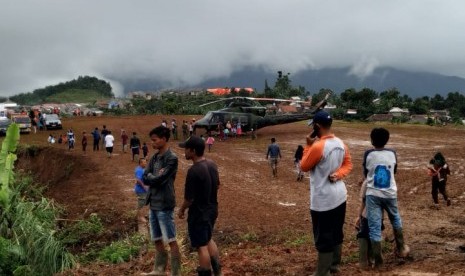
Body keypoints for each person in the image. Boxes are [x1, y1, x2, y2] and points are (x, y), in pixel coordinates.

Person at [300, 110, 353, 276]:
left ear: (316, 127)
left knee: (323, 235)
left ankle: (322, 272)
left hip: (323, 200)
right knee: (336, 232)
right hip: (340, 196)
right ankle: (334, 266)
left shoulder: (317, 146)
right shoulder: (341, 144)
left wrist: (308, 145)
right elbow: (348, 165)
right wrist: (338, 174)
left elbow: (303, 166)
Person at [363, 127, 410, 269]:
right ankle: (401, 248)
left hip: (373, 194)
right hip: (390, 193)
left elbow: (366, 173)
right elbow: (394, 171)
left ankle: (378, 262)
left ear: (371, 140)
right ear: (387, 140)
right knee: (395, 218)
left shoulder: (368, 154)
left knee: (374, 226)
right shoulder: (392, 153)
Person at [178, 136, 221, 276]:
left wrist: (181, 209)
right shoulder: (212, 164)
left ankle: (205, 273)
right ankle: (218, 272)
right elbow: (218, 185)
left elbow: (189, 199)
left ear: (193, 151)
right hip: (212, 209)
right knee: (208, 239)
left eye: (186, 149)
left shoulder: (194, 171)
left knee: (201, 246)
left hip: (199, 213)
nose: (184, 151)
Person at [141, 126, 181, 276]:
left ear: (164, 139)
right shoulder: (155, 157)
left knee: (170, 239)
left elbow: (161, 179)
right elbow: (145, 177)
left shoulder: (172, 158)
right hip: (154, 203)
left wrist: (153, 177)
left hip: (165, 203)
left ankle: (176, 273)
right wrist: (153, 177)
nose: (152, 143)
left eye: (155, 140)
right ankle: (159, 270)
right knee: (156, 238)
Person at [134, 158, 148, 228]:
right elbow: (138, 180)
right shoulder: (139, 170)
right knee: (141, 203)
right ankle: (140, 217)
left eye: (146, 162)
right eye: (144, 163)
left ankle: (140, 215)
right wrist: (144, 186)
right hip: (141, 190)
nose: (145, 164)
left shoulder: (141, 169)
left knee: (143, 202)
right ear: (140, 163)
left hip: (142, 189)